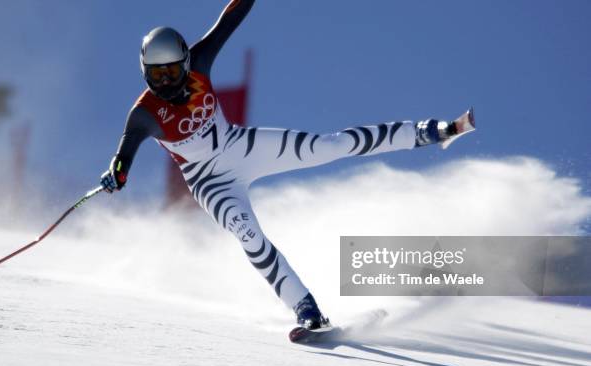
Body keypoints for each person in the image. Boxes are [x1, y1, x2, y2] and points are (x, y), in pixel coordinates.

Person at [100, 0, 474, 330]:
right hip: (209, 183)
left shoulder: (200, 62)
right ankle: (306, 309)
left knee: (330, 146)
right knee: (248, 235)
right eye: (155, 75)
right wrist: (117, 173)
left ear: (185, 61)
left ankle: (430, 132)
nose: (164, 82)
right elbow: (125, 151)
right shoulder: (145, 112)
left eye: (171, 72)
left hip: (240, 147)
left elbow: (232, 15)